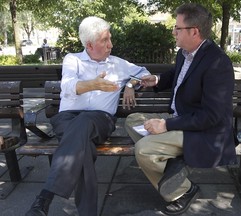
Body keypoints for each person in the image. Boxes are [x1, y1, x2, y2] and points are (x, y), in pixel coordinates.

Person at [25, 16, 150, 216]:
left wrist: (130, 84)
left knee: (83, 124)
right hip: (67, 119)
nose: (111, 45)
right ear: (90, 45)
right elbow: (67, 86)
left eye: (110, 38)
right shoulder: (72, 59)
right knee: (82, 146)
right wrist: (93, 84)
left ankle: (44, 198)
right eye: (105, 40)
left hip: (100, 120)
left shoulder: (118, 64)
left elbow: (145, 74)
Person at [125, 3, 237, 215]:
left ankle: (183, 190)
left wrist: (166, 124)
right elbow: (176, 75)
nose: (173, 32)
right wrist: (156, 80)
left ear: (194, 31)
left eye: (177, 28)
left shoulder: (218, 63)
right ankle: (173, 164)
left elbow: (211, 116)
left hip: (204, 133)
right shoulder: (185, 54)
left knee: (143, 150)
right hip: (182, 119)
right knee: (132, 120)